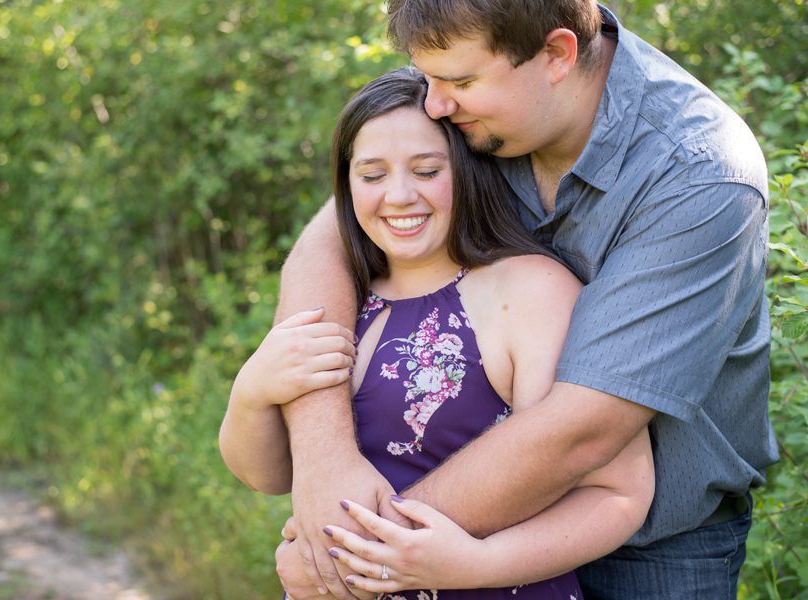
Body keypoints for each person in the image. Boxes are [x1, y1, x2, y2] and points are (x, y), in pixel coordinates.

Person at [271, 2, 777, 600]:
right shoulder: (471, 106)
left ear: (558, 55)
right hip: (442, 537)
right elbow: (326, 241)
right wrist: (324, 458)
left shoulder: (700, 175)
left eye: (459, 82)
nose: (434, 103)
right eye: (428, 78)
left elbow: (584, 431)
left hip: (651, 549)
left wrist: (353, 551)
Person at [220, 66, 654, 599]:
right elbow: (268, 476)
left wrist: (476, 563)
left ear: (471, 171)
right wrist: (251, 392)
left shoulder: (528, 291)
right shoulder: (342, 298)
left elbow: (618, 493)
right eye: (372, 175)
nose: (398, 196)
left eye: (427, 171)